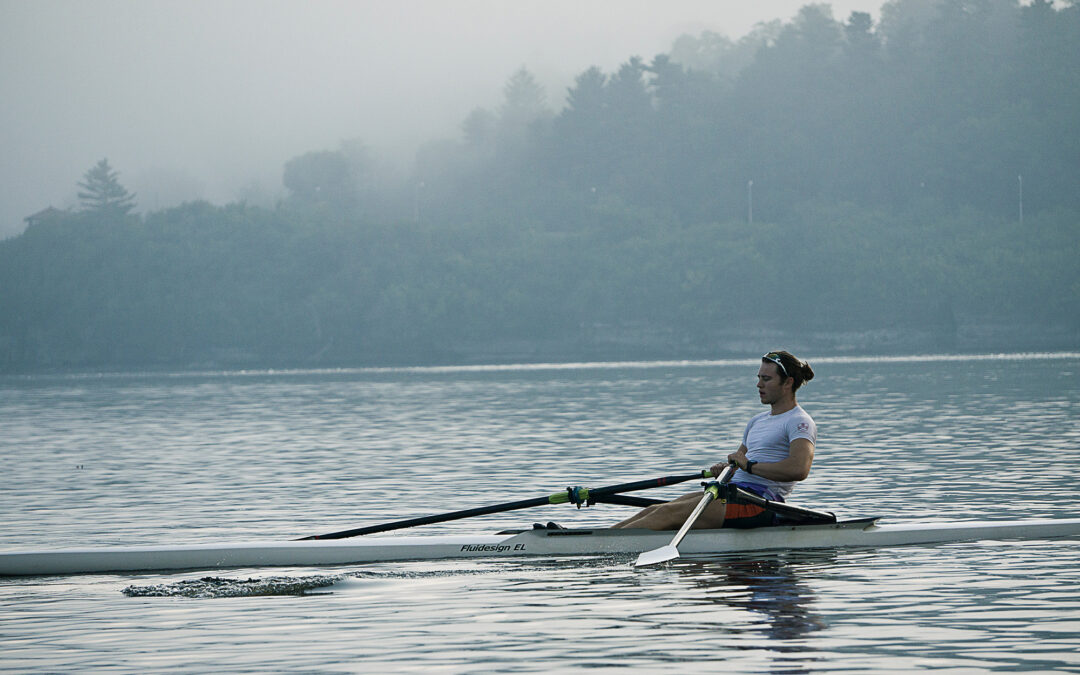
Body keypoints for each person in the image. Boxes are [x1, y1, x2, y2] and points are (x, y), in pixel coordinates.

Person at [612, 350, 816, 530]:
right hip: (730, 491)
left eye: (766, 379)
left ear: (788, 382)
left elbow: (799, 469)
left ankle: (603, 549)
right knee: (658, 509)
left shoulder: (799, 421)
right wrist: (727, 468)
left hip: (759, 502)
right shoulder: (756, 421)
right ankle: (596, 542)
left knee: (667, 515)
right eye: (759, 377)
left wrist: (749, 466)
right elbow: (739, 462)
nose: (758, 384)